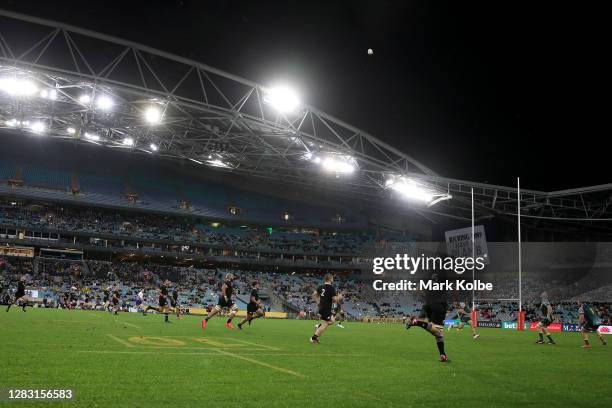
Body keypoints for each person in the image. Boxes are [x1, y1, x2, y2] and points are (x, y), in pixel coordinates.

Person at [405, 261, 451, 363]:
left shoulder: (427, 276)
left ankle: (443, 355)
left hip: (428, 304)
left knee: (439, 333)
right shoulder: (444, 275)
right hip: (439, 305)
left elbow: (418, 289)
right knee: (438, 332)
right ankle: (417, 322)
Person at [310, 274, 343, 344]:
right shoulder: (331, 288)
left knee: (331, 321)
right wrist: (339, 297)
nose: (333, 279)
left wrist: (318, 303)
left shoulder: (321, 286)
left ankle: (318, 327)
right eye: (333, 278)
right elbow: (335, 299)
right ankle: (313, 338)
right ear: (330, 279)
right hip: (326, 308)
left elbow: (314, 294)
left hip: (322, 307)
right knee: (325, 324)